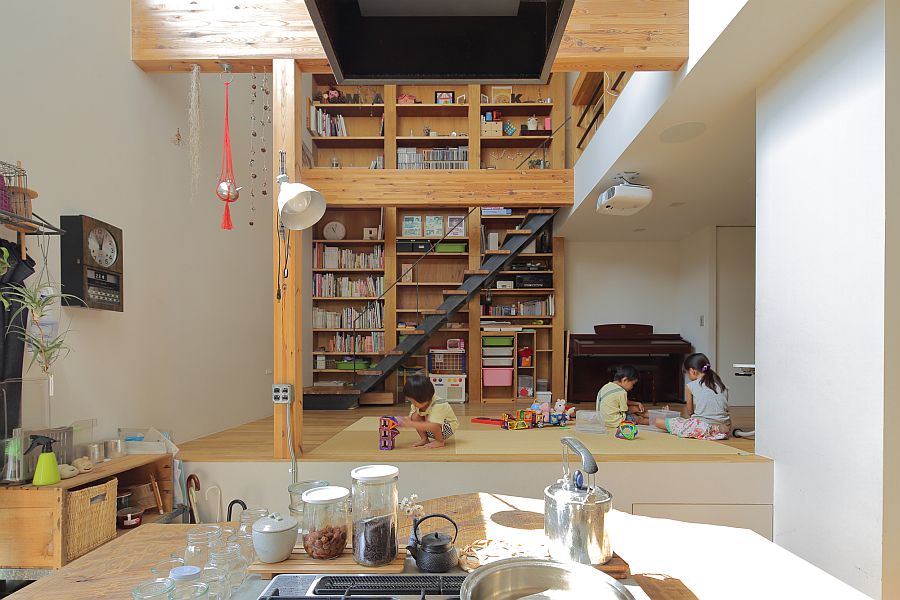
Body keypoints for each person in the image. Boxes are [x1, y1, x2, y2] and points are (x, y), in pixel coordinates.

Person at [655, 353, 731, 439]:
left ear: (692, 371)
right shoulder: (722, 386)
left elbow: (690, 412)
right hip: (725, 425)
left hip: (702, 427)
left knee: (658, 422)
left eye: (687, 373)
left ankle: (711, 429)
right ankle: (716, 429)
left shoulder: (691, 386)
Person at [398, 375, 459, 449]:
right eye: (411, 401)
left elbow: (434, 425)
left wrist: (411, 424)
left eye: (413, 401)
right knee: (415, 416)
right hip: (430, 427)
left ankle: (440, 441)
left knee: (429, 419)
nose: (412, 403)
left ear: (424, 399)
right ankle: (424, 439)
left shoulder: (439, 404)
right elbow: (412, 419)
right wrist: (402, 422)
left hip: (446, 428)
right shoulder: (416, 404)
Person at [596, 365, 649, 430]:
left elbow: (621, 401)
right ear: (625, 380)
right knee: (638, 418)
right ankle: (654, 421)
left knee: (636, 408)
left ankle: (651, 417)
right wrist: (636, 410)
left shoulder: (606, 387)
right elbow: (625, 410)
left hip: (603, 421)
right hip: (615, 422)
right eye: (633, 384)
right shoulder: (622, 392)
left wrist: (636, 403)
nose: (632, 387)